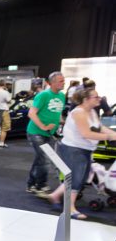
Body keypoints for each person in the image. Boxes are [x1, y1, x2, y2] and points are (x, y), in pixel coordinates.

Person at [45, 88, 116, 219]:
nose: (99, 99)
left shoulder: (91, 112)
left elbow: (99, 127)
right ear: (86, 99)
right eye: (96, 97)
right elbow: (86, 133)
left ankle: (55, 196)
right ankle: (69, 209)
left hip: (85, 149)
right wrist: (110, 137)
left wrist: (113, 134)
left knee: (82, 177)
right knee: (76, 179)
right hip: (73, 149)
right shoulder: (79, 113)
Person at [25, 71, 66, 195]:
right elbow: (31, 113)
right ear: (52, 83)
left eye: (64, 80)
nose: (64, 83)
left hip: (49, 133)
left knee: (40, 158)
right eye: (61, 81)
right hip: (35, 132)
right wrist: (43, 126)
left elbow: (56, 113)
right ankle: (40, 185)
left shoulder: (62, 96)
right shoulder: (43, 95)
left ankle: (31, 184)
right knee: (45, 158)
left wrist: (62, 122)